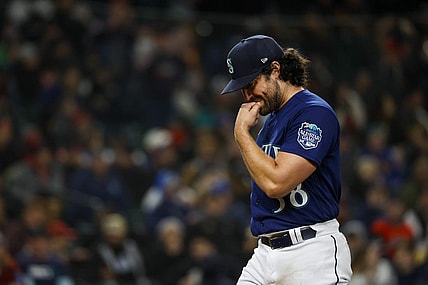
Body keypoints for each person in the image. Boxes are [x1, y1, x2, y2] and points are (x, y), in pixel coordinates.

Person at [220, 34, 353, 284]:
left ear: (275, 69)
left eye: (251, 83)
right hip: (265, 252)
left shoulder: (313, 113)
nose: (247, 96)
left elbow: (276, 184)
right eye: (242, 89)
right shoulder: (270, 123)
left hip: (311, 253)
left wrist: (240, 134)